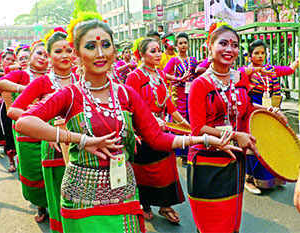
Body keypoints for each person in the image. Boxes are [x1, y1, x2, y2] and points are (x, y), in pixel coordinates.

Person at [15, 12, 240, 233]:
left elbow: (157, 138)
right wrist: (80, 139)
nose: (100, 53)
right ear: (77, 52)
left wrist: (204, 139)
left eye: (106, 44)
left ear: (114, 49)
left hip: (124, 191)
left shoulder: (126, 93)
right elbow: (23, 122)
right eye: (91, 46)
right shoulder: (70, 94)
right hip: (82, 195)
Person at [187, 26, 287, 232]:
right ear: (210, 47)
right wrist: (234, 135)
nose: (229, 49)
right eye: (223, 43)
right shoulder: (199, 84)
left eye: (234, 45)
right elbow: (198, 128)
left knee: (231, 220)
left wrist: (270, 111)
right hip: (207, 162)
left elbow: (248, 108)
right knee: (211, 223)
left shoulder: (239, 78)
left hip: (235, 160)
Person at [8, 28, 78, 232]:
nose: (65, 55)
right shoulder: (41, 82)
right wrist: (45, 130)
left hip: (82, 146)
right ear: (48, 56)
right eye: (58, 51)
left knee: (85, 197)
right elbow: (14, 110)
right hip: (54, 148)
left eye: (69, 50)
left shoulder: (84, 80)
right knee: (59, 196)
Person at [126, 37, 189, 224]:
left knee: (166, 167)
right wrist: (151, 120)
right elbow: (132, 106)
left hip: (162, 129)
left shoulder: (161, 75)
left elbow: (168, 104)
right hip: (142, 131)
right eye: (153, 51)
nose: (158, 54)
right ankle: (144, 205)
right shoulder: (135, 77)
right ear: (142, 55)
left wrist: (183, 122)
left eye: (159, 50)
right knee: (145, 170)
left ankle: (165, 205)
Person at [0, 42, 49, 223]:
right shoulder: (22, 74)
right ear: (31, 56)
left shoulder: (54, 75)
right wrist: (24, 88)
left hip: (51, 130)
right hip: (27, 132)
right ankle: (41, 205)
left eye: (47, 55)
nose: (43, 58)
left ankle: (57, 205)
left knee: (53, 169)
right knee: (33, 170)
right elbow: (0, 83)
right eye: (39, 53)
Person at [241, 39, 299, 194]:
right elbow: (246, 100)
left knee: (271, 146)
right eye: (256, 53)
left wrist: (298, 60)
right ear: (249, 56)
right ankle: (249, 180)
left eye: (263, 53)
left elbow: (290, 69)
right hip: (253, 113)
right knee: (253, 147)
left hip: (271, 113)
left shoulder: (270, 69)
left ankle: (272, 178)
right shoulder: (246, 72)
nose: (260, 56)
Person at [164, 32, 198, 120]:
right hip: (178, 94)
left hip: (192, 92)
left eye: (185, 43)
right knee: (179, 117)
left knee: (192, 114)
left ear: (188, 45)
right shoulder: (174, 60)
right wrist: (177, 79)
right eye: (180, 43)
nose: (183, 45)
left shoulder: (193, 60)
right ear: (176, 46)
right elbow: (163, 73)